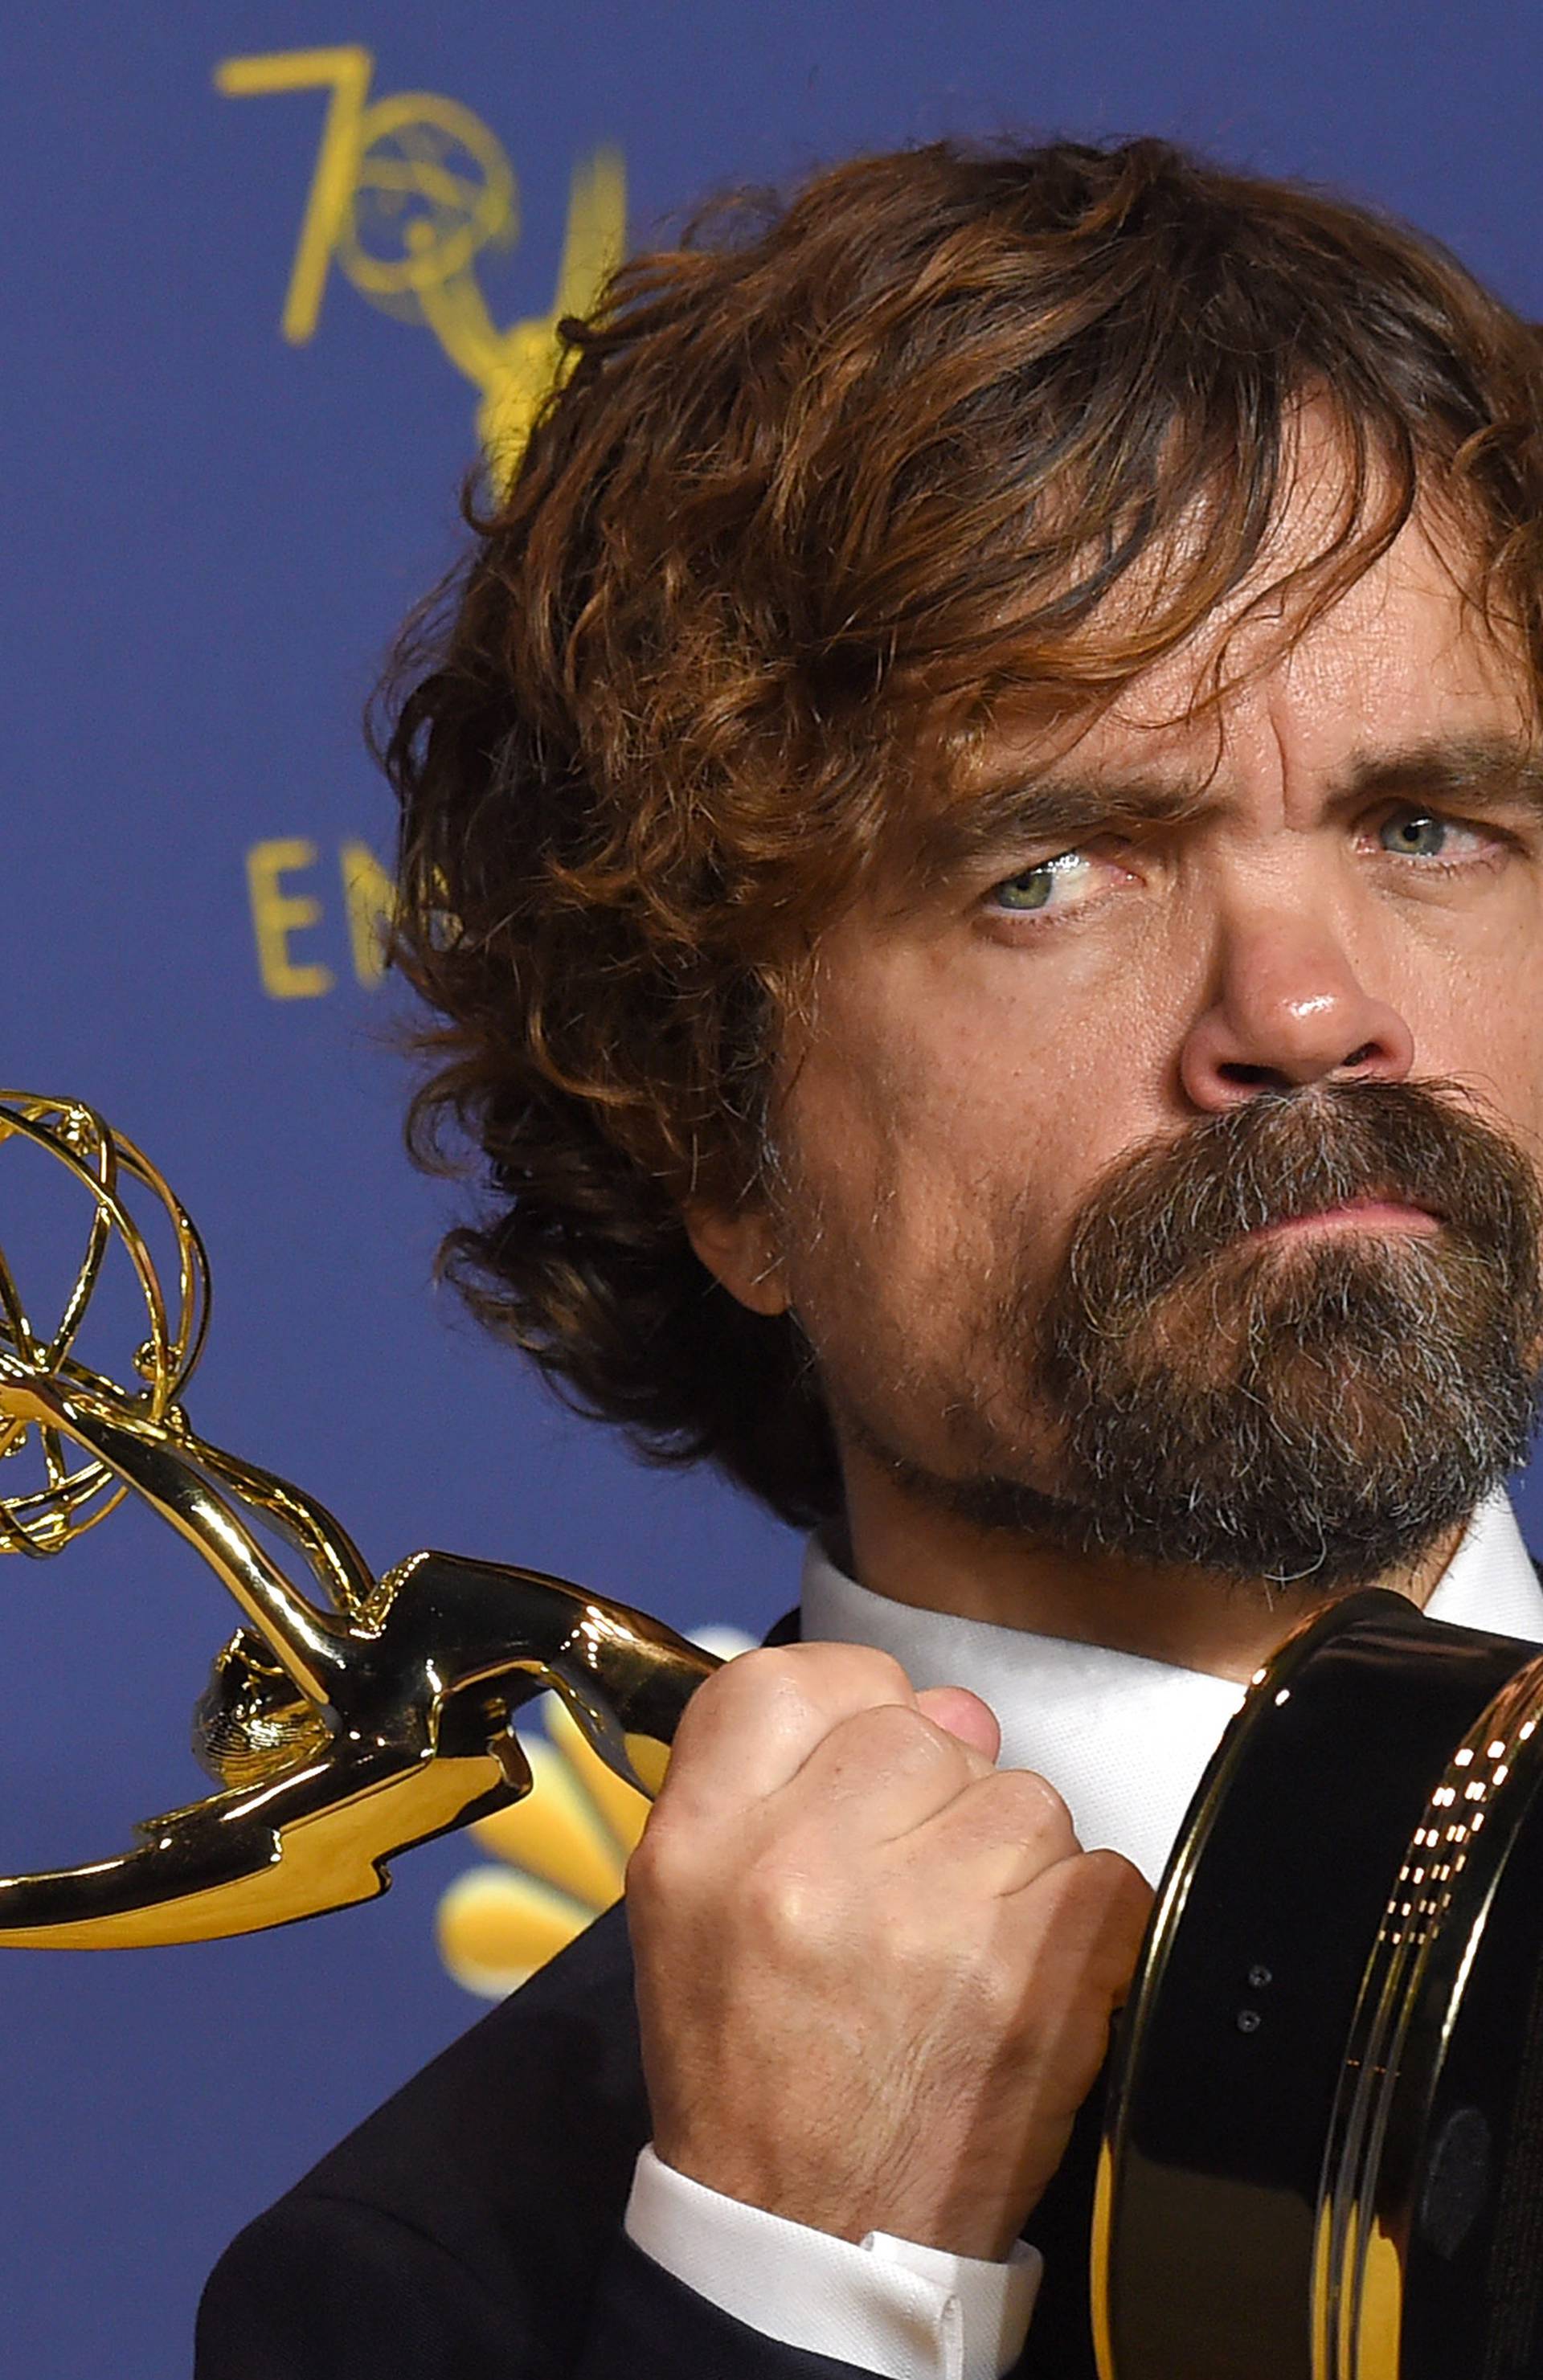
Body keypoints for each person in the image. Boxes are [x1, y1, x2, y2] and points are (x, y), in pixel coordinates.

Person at [196, 135, 1543, 2378]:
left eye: (1427, 824)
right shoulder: (457, 2289)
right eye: (1054, 868)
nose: (1309, 1010)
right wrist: (792, 2295)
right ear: (711, 1129)